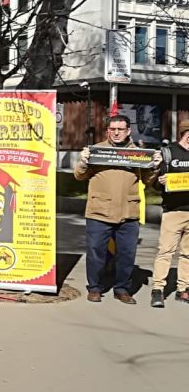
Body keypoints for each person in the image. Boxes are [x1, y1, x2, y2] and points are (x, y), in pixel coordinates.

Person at [74, 115, 161, 304]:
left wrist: (154, 167)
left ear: (128, 131)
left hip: (128, 212)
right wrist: (82, 162)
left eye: (120, 129)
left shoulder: (138, 154)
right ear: (108, 131)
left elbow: (148, 181)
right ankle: (94, 288)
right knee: (96, 253)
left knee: (127, 254)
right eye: (112, 129)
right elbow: (79, 176)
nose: (116, 132)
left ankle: (122, 289)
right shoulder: (97, 151)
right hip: (99, 211)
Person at [148, 119, 189, 307]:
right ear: (185, 134)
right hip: (173, 211)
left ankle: (183, 289)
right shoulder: (168, 152)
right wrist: (160, 181)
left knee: (187, 254)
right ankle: (158, 289)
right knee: (165, 252)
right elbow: (155, 184)